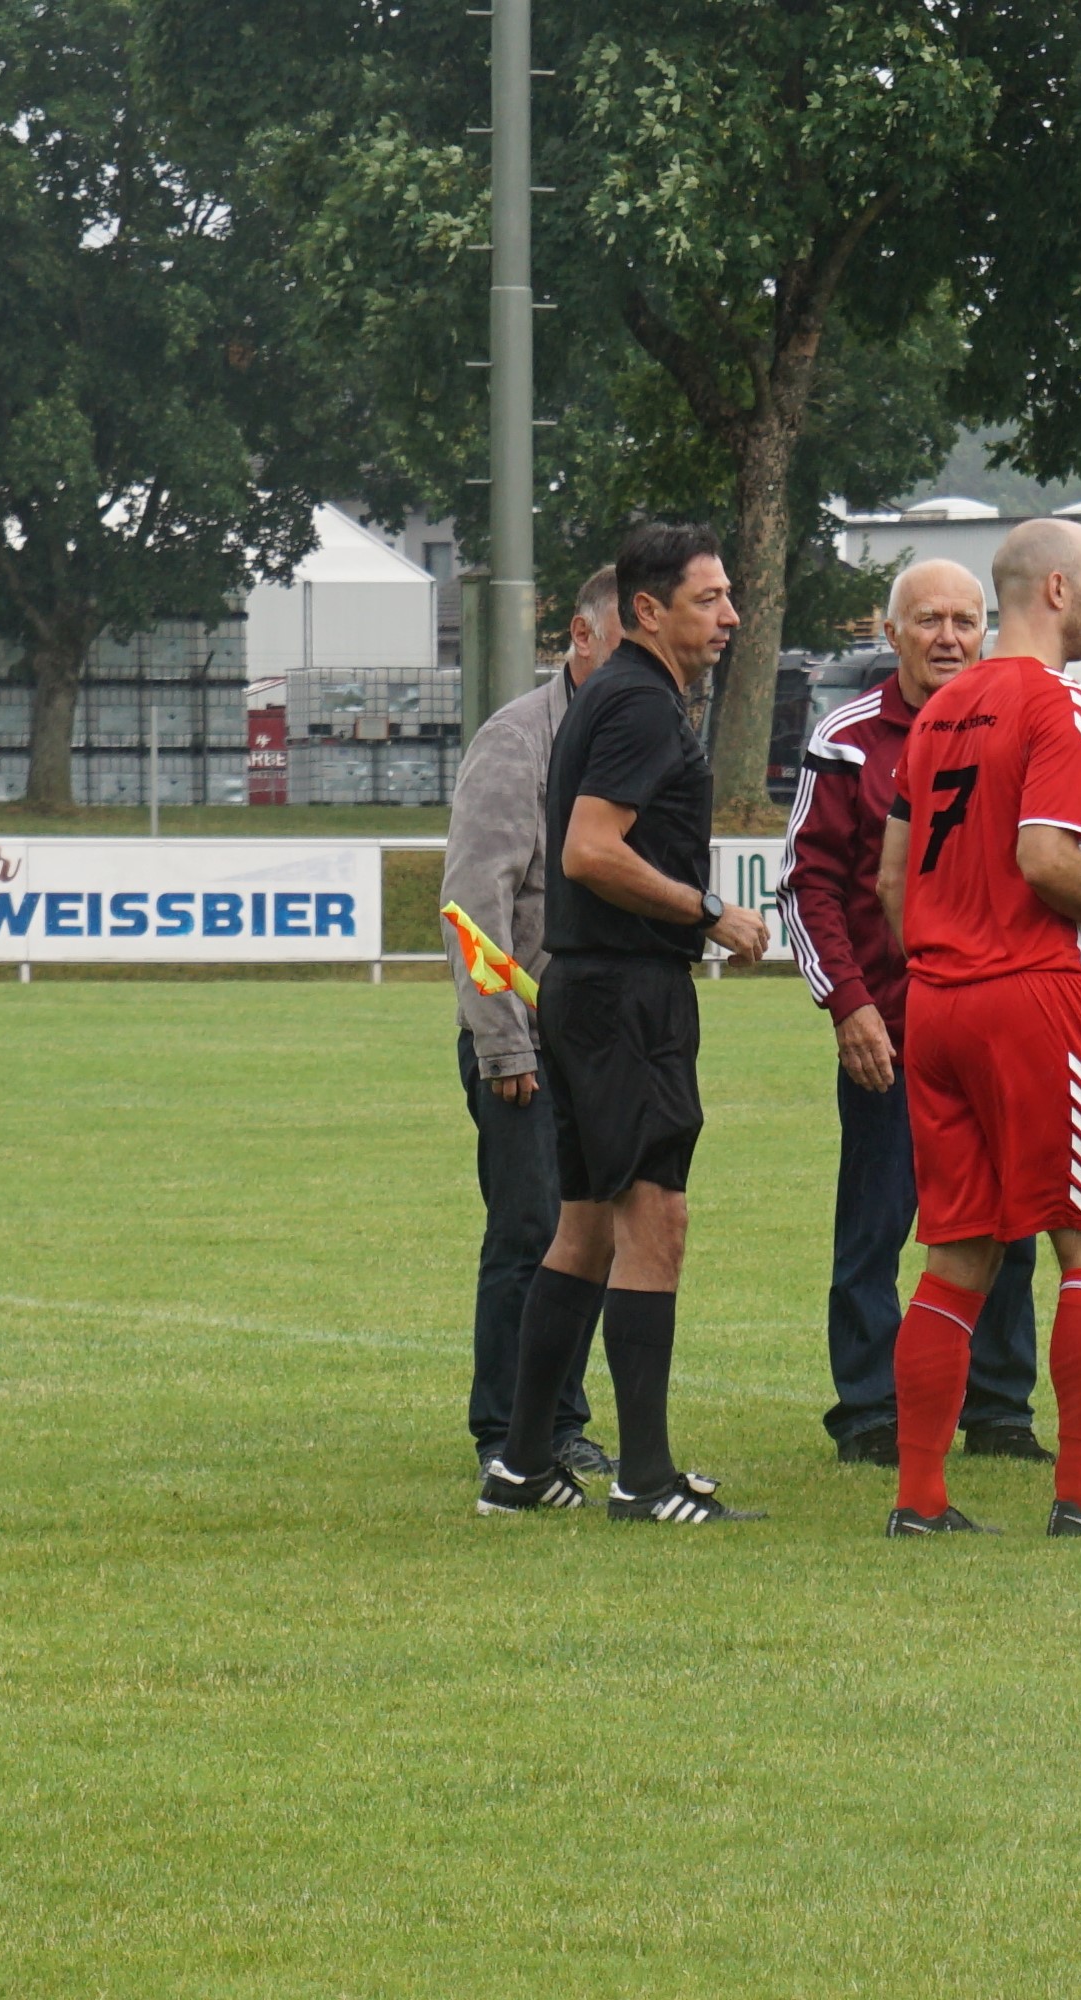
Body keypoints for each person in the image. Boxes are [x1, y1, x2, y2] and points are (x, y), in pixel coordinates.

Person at [875, 518, 1081, 1538]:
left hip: (936, 999)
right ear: (1055, 588)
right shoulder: (1063, 702)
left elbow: (888, 879)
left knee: (958, 1249)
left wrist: (946, 952)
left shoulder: (937, 708)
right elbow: (1046, 856)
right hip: (1032, 993)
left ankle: (920, 1498)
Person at [479, 522, 773, 1522]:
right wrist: (708, 911)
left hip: (590, 991)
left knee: (587, 1225)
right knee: (657, 1217)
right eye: (708, 598)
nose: (729, 615)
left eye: (728, 596)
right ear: (647, 610)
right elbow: (589, 851)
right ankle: (643, 1478)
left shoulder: (618, 698)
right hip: (623, 995)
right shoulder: (642, 703)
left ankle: (521, 1464)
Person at [777, 559, 1045, 1468]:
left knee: (1010, 1218)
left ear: (987, 630)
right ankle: (869, 1410)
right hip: (891, 1032)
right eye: (926, 619)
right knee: (878, 1225)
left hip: (997, 1021)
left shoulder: (1021, 725)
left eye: (965, 620)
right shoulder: (849, 738)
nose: (947, 637)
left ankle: (1001, 1406)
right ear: (888, 634)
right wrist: (847, 1005)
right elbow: (805, 883)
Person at [442, 565, 620, 1485]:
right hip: (526, 1038)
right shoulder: (517, 741)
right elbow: (475, 902)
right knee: (529, 1228)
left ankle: (560, 1419)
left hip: (597, 1041)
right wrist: (502, 1039)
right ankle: (506, 1430)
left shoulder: (627, 738)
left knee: (589, 1230)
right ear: (580, 639)